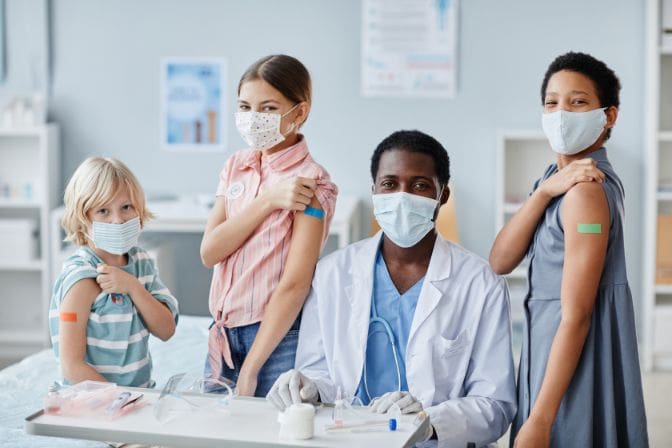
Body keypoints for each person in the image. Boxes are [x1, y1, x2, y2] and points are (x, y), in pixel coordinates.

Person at [267, 130, 516, 447]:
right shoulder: (332, 273)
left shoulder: (480, 284)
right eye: (390, 184)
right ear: (374, 192)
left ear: (443, 195)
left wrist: (427, 423)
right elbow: (320, 372)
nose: (402, 196)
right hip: (350, 438)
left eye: (420, 185)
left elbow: (495, 405)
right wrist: (308, 388)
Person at [489, 52, 649, 447]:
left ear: (608, 116)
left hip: (572, 360)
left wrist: (541, 420)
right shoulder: (555, 180)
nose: (561, 112)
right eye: (551, 102)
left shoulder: (585, 192)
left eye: (578, 102)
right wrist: (543, 193)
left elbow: (576, 315)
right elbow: (500, 260)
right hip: (546, 347)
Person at [201, 54, 338, 397]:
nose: (253, 119)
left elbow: (294, 284)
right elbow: (210, 251)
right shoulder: (236, 166)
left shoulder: (312, 184)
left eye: (268, 108)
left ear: (300, 112)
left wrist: (252, 369)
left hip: (275, 340)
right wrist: (267, 201)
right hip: (222, 334)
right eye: (245, 107)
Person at [50, 157, 179, 387]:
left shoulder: (142, 264)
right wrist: (119, 398)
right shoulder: (81, 278)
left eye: (126, 207)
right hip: (91, 401)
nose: (118, 220)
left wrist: (133, 287)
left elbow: (166, 329)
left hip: (137, 394)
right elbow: (71, 366)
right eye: (103, 211)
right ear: (83, 219)